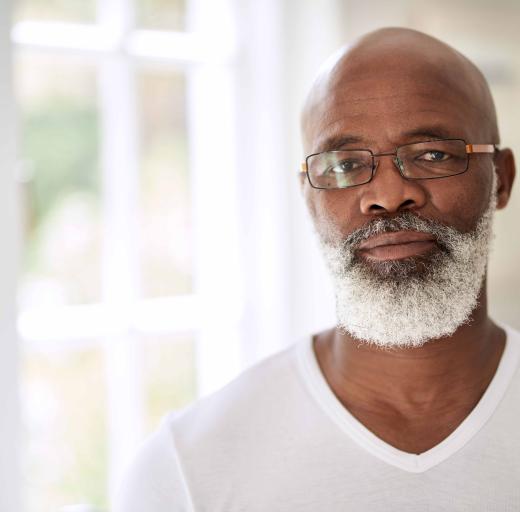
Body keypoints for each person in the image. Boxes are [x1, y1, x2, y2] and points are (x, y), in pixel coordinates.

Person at [115, 27, 518, 511]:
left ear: (500, 180)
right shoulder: (186, 470)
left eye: (432, 155)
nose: (388, 196)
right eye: (344, 165)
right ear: (308, 198)